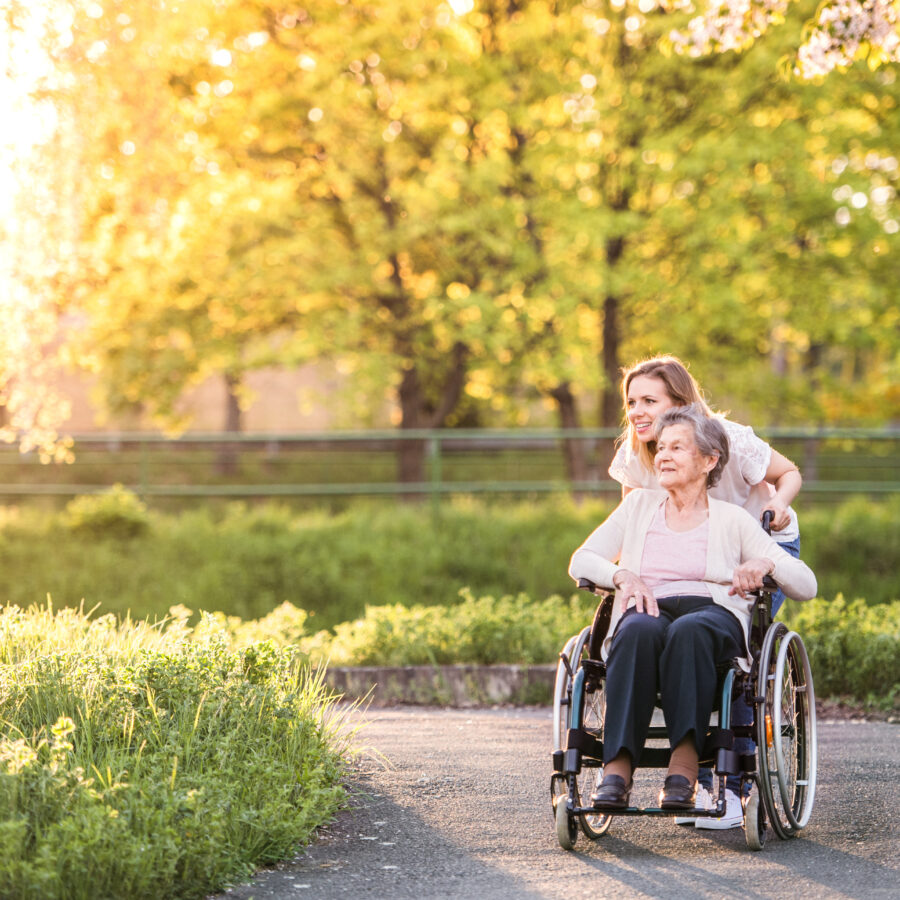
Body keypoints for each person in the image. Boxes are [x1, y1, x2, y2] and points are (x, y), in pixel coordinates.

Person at [568, 404, 816, 814]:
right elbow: (581, 559)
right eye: (661, 447)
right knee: (635, 630)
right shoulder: (638, 507)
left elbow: (806, 583)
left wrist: (766, 563)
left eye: (677, 448)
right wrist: (622, 576)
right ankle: (617, 767)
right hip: (649, 606)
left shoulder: (734, 519)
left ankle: (682, 766)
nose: (662, 455)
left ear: (709, 460)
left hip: (712, 614)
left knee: (691, 631)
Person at [609, 355, 803, 828]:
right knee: (650, 629)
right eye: (631, 401)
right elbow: (635, 528)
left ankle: (733, 787)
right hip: (688, 557)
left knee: (734, 659)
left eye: (649, 400)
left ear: (680, 402)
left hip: (758, 542)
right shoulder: (638, 451)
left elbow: (789, 472)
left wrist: (777, 503)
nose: (636, 410)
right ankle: (643, 765)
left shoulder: (728, 438)